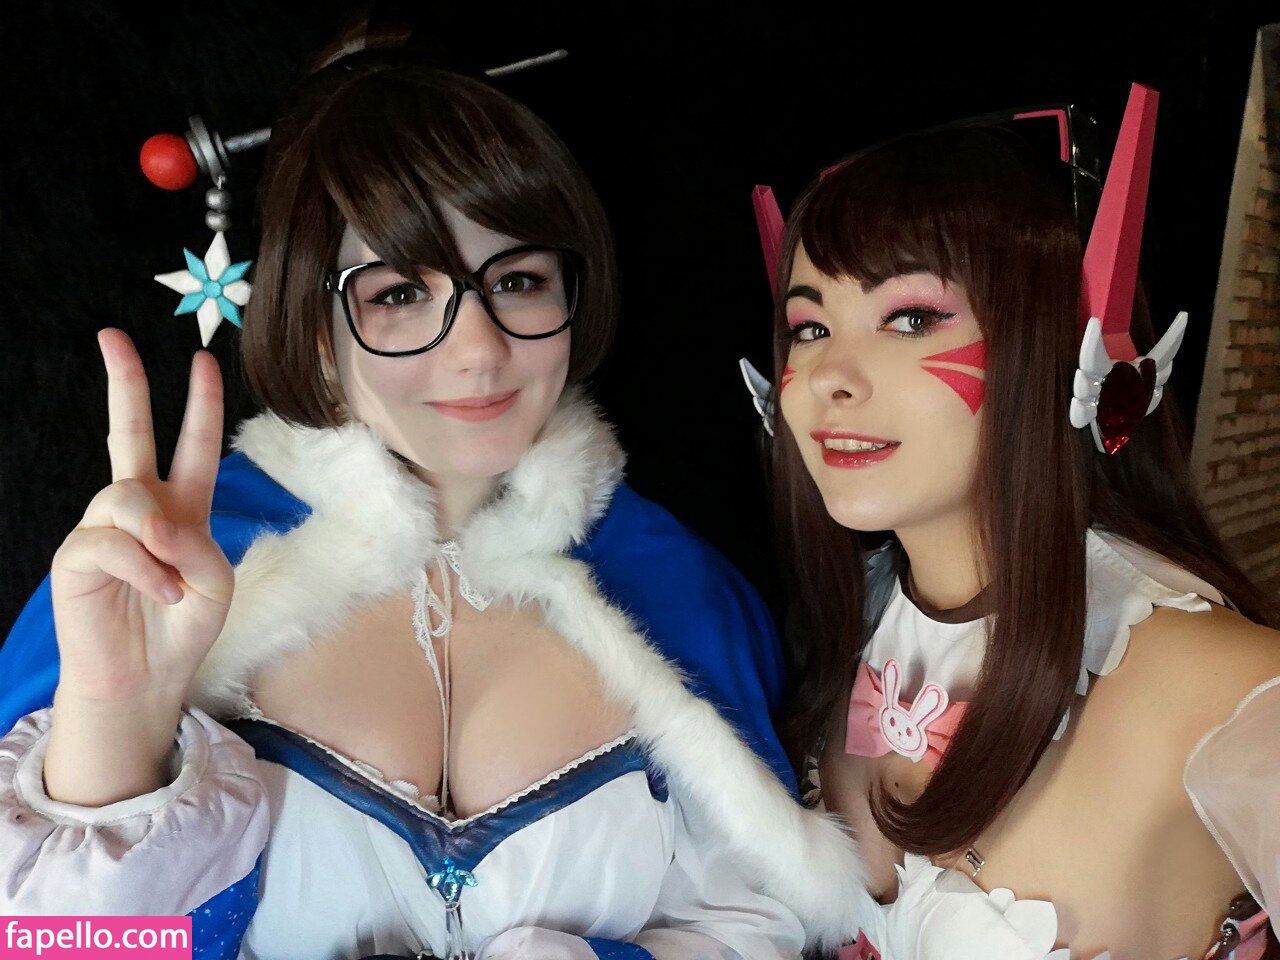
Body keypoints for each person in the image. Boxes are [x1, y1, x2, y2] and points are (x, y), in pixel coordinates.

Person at [0, 36, 868, 960]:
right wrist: (113, 727)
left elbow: (760, 923)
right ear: (314, 323)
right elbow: (56, 948)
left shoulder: (683, 588)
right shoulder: (151, 583)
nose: (478, 350)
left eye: (518, 282)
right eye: (400, 292)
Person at [750, 87, 1280, 959]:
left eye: (910, 318)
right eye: (808, 327)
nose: (832, 375)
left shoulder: (1226, 691)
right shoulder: (833, 645)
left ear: (1067, 343)